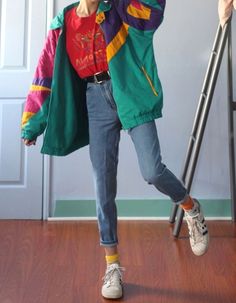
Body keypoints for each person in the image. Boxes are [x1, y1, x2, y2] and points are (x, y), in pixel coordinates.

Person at [22, 0, 209, 299]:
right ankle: (112, 265)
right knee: (103, 185)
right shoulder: (64, 22)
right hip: (95, 100)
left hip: (129, 90)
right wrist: (33, 124)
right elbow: (45, 72)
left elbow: (152, 13)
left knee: (152, 170)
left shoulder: (120, 8)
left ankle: (190, 207)